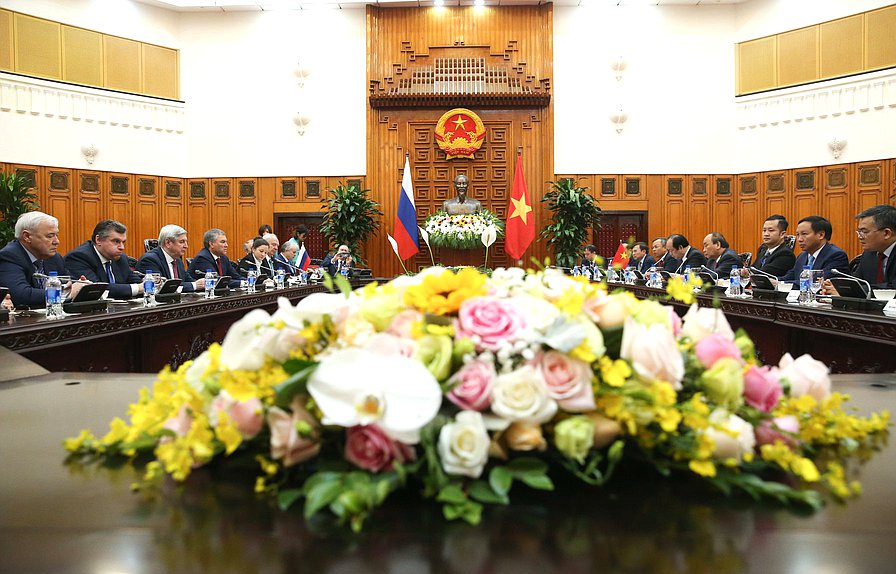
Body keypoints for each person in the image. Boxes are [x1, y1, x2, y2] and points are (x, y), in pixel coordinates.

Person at [0, 211, 84, 307]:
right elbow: (20, 295)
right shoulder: (9, 256)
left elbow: (68, 283)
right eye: (50, 236)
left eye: (56, 235)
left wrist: (81, 287)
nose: (57, 241)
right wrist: (64, 293)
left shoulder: (54, 258)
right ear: (27, 236)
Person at [824, 204, 896, 295]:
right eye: (859, 232)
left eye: (865, 232)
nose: (860, 237)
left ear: (886, 233)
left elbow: (892, 288)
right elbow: (857, 282)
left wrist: (848, 292)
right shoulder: (869, 255)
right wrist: (836, 287)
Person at [64, 219, 144, 299]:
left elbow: (137, 282)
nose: (122, 247)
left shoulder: (120, 258)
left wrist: (150, 284)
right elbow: (96, 289)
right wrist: (138, 288)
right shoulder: (79, 257)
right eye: (116, 241)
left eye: (123, 242)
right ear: (98, 240)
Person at [137, 225, 206, 292]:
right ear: (168, 243)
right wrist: (194, 285)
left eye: (186, 242)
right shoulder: (149, 260)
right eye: (182, 242)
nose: (186, 246)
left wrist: (202, 283)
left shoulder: (177, 260)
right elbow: (162, 287)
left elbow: (189, 281)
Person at [780, 215, 849, 283]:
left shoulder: (836, 256)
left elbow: (816, 283)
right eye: (798, 234)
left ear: (821, 235)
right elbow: (788, 277)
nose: (799, 239)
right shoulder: (802, 256)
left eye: (804, 234)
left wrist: (782, 284)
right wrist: (773, 282)